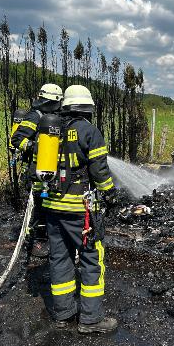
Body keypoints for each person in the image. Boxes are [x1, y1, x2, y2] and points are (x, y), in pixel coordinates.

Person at [43, 84, 118, 333]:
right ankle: (91, 319)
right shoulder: (89, 131)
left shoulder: (52, 130)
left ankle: (63, 314)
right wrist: (110, 193)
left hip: (52, 207)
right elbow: (99, 169)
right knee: (91, 260)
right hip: (80, 209)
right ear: (88, 108)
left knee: (59, 258)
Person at [11, 83, 64, 258]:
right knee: (38, 208)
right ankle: (35, 242)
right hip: (36, 171)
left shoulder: (53, 117)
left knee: (48, 206)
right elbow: (17, 139)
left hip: (49, 170)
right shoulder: (35, 116)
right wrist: (35, 146)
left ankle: (46, 239)